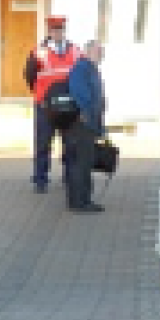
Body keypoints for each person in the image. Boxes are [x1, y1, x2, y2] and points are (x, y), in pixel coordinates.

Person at [23, 15, 81, 193]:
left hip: (68, 105)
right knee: (43, 142)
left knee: (70, 142)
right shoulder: (38, 52)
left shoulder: (75, 50)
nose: (58, 33)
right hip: (45, 105)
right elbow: (30, 75)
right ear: (49, 31)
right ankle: (40, 179)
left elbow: (80, 74)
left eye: (61, 29)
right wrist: (41, 94)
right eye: (55, 29)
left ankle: (69, 176)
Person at [62, 41, 108, 213]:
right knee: (81, 163)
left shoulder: (91, 69)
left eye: (102, 51)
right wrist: (88, 113)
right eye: (98, 51)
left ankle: (82, 199)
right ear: (88, 52)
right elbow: (81, 94)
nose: (101, 54)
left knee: (85, 162)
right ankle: (80, 202)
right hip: (81, 123)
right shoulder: (82, 68)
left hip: (89, 122)